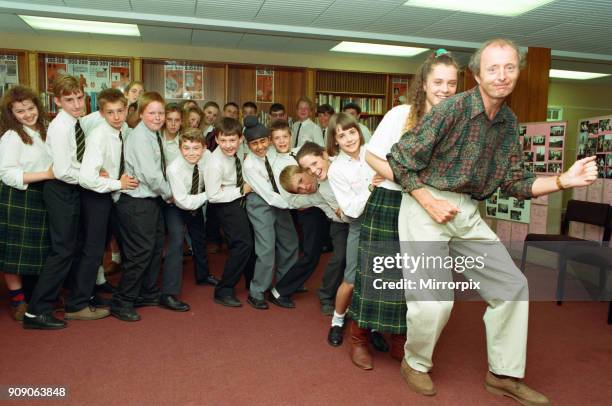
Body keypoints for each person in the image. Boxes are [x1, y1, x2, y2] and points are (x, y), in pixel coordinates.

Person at [388, 38, 596, 405]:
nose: (502, 76)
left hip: (465, 210)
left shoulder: (507, 122)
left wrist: (565, 180)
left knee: (512, 285)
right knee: (435, 301)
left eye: (509, 67)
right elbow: (400, 158)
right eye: (493, 68)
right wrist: (428, 201)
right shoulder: (451, 109)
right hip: (423, 203)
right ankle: (415, 363)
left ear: (518, 71)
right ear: (477, 74)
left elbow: (516, 182)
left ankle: (502, 374)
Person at [350, 49, 459, 369]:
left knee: (412, 279)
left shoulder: (454, 121)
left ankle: (400, 339)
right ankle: (359, 338)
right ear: (424, 83)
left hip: (425, 209)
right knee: (375, 273)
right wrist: (410, 181)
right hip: (389, 201)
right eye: (438, 81)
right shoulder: (400, 115)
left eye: (452, 83)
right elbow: (371, 157)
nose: (445, 89)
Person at [24, 75, 109, 329]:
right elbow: (62, 171)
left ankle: (76, 300)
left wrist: (91, 170)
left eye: (79, 98)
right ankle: (36, 311)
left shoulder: (76, 122)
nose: (76, 104)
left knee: (74, 247)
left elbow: (73, 161)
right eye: (69, 100)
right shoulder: (61, 127)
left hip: (71, 188)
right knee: (62, 251)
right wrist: (90, 175)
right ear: (57, 101)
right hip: (60, 189)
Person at [76, 88, 138, 319]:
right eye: (110, 112)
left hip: (112, 193)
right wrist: (117, 183)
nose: (116, 117)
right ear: (101, 113)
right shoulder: (99, 136)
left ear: (127, 110)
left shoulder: (125, 131)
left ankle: (95, 289)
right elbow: (86, 178)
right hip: (95, 195)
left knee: (104, 244)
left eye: (120, 111)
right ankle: (78, 303)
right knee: (92, 251)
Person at [111, 92, 172, 322]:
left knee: (156, 248)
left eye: (161, 113)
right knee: (140, 253)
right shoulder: (140, 137)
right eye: (152, 113)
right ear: (142, 113)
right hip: (136, 202)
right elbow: (151, 176)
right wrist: (170, 194)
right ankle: (122, 301)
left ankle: (147, 293)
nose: (158, 118)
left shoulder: (153, 134)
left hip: (149, 200)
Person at [321, 113, 377, 356]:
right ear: (335, 141)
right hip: (359, 224)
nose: (349, 138)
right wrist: (372, 187)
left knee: (378, 277)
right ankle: (337, 321)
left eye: (351, 132)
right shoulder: (336, 170)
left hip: (384, 222)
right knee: (352, 278)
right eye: (341, 135)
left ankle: (371, 328)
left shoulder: (374, 153)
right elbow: (352, 209)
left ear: (359, 131)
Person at [0, 86, 54, 322]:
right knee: (14, 253)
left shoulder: (45, 129)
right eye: (20, 111)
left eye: (31, 108)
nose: (28, 114)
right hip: (16, 196)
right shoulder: (12, 136)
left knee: (37, 250)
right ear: (12, 114)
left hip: (40, 193)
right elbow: (7, 174)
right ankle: (18, 300)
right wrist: (47, 175)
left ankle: (35, 294)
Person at [242, 116, 298, 309]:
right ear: (247, 144)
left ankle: (282, 288)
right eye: (254, 144)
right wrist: (295, 204)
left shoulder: (274, 151)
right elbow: (267, 194)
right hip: (261, 203)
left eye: (263, 141)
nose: (259, 147)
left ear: (269, 139)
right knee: (266, 249)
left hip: (280, 200)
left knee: (290, 243)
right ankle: (256, 291)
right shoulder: (249, 164)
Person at [165, 127, 217, 311]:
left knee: (199, 238)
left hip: (197, 199)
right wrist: (210, 194)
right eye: (186, 148)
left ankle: (203, 276)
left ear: (204, 148)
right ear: (180, 149)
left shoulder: (209, 157)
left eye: (196, 148)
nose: (191, 153)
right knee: (177, 242)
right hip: (176, 206)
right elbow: (184, 202)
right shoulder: (174, 169)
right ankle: (169, 293)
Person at [203, 117, 254, 307]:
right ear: (216, 139)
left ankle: (251, 281)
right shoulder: (214, 162)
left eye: (232, 140)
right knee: (242, 244)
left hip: (237, 199)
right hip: (224, 204)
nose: (228, 145)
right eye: (223, 140)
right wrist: (241, 190)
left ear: (241, 139)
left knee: (251, 241)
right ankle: (224, 289)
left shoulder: (239, 151)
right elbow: (213, 195)